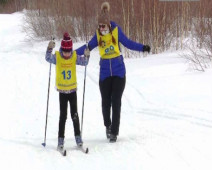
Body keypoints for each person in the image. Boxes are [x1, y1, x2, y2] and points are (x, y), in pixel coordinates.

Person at [76, 2, 151, 143]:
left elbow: (128, 43)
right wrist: (71, 53)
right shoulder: (98, 35)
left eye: (103, 26)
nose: (101, 28)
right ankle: (108, 126)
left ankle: (114, 132)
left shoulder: (116, 30)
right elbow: (87, 47)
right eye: (99, 26)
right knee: (105, 102)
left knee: (116, 101)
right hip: (105, 72)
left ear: (108, 24)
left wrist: (143, 47)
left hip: (118, 71)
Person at [45, 32, 90, 150]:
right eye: (65, 51)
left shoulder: (74, 56)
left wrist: (87, 55)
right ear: (62, 49)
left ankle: (78, 137)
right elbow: (47, 58)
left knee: (74, 115)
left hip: (72, 91)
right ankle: (60, 139)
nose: (66, 54)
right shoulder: (58, 57)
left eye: (68, 51)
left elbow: (85, 62)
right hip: (62, 92)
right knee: (63, 116)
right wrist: (49, 48)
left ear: (71, 49)